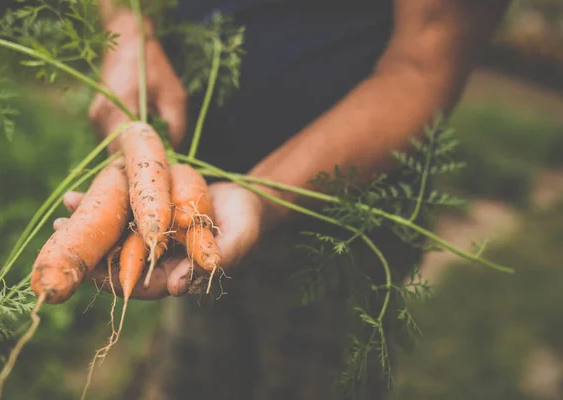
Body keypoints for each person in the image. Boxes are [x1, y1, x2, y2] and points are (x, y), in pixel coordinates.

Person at [59, 0, 511, 398]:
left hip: (339, 226)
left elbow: (424, 64)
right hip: (196, 213)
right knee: (193, 373)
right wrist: (129, 30)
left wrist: (260, 196)